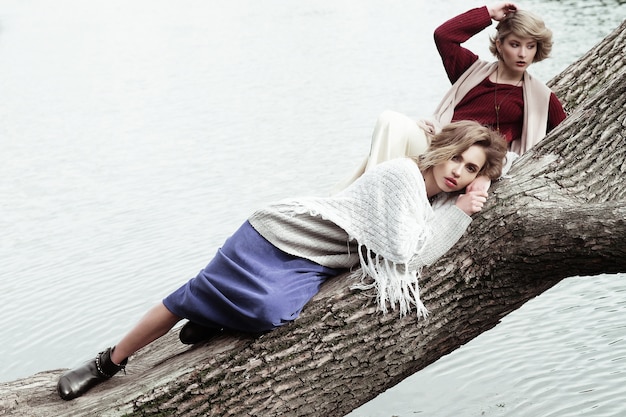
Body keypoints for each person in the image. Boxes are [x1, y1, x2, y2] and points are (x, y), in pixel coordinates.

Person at [56, 120, 507, 401]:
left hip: (313, 261)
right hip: (279, 233)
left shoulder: (434, 203)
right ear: (443, 149)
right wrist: (465, 211)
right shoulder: (404, 176)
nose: (458, 172)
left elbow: (416, 242)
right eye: (458, 159)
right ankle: (106, 363)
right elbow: (411, 254)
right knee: (188, 296)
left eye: (471, 170)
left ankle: (212, 319)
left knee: (271, 314)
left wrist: (468, 199)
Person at [333, 2, 566, 193]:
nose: (523, 54)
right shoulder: (470, 70)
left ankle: (372, 200)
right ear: (499, 44)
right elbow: (444, 36)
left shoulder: (540, 97)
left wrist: (492, 172)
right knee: (390, 120)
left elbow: (565, 138)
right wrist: (488, 13)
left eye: (531, 46)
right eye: (515, 44)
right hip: (437, 144)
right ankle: (370, 198)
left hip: (467, 165)